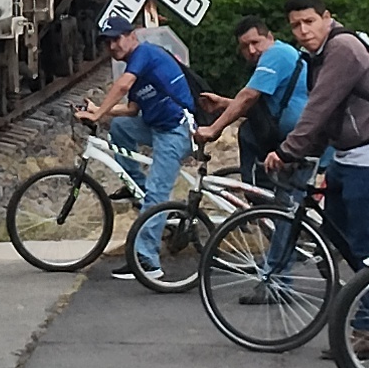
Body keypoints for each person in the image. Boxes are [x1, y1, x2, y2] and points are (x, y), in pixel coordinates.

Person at [271, 0, 369, 339]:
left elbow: (318, 106)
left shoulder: (342, 48)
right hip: (348, 159)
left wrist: (288, 151)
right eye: (295, 25)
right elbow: (328, 117)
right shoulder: (318, 55)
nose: (302, 31)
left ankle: (368, 330)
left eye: (309, 22)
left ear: (327, 17)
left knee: (365, 247)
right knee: (334, 237)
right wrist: (301, 153)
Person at [75, 15, 199, 277]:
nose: (112, 47)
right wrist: (101, 110)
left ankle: (147, 262)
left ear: (132, 35)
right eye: (107, 42)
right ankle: (137, 188)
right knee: (119, 128)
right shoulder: (136, 64)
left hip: (177, 130)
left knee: (157, 194)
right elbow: (132, 110)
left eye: (116, 39)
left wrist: (98, 116)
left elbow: (122, 85)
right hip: (157, 126)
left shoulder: (144, 53)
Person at [197, 18, 308, 181]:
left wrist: (213, 129)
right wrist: (224, 103)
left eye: (255, 42)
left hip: (297, 139)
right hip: (294, 138)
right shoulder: (282, 54)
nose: (251, 50)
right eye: (244, 46)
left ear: (270, 37)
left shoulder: (276, 54)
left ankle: (258, 200)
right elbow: (264, 111)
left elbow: (249, 96)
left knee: (248, 132)